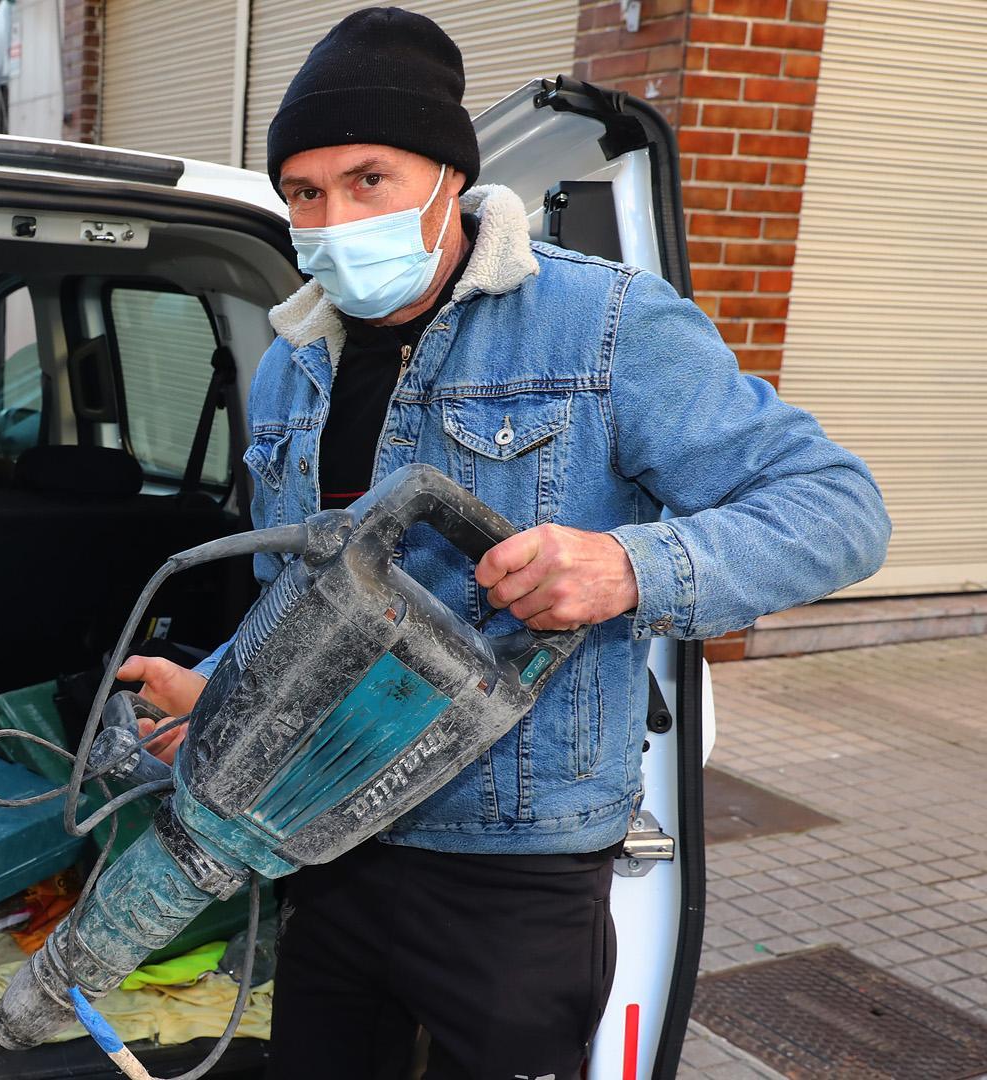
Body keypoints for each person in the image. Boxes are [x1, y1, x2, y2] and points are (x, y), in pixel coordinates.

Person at [114, 8, 890, 1077]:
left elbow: (839, 508)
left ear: (448, 178)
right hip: (322, 840)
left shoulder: (604, 324)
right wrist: (221, 692)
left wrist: (628, 568)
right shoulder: (292, 366)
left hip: (510, 866)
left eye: (368, 180)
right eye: (304, 192)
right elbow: (299, 598)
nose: (333, 218)